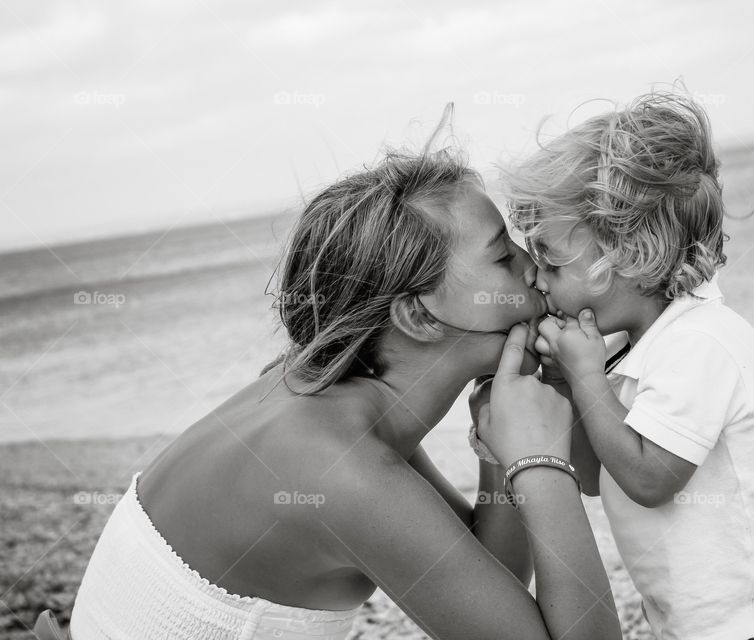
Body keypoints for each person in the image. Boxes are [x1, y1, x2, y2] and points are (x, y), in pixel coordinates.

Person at [64, 126, 622, 639]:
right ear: (419, 317)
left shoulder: (322, 397)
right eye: (502, 256)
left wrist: (500, 439)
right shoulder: (337, 467)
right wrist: (543, 464)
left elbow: (479, 579)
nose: (532, 267)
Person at [503, 91, 754, 640]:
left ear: (628, 254)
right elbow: (594, 472)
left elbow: (651, 479)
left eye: (551, 261)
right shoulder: (639, 348)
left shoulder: (701, 342)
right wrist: (567, 380)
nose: (535, 278)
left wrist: (585, 378)